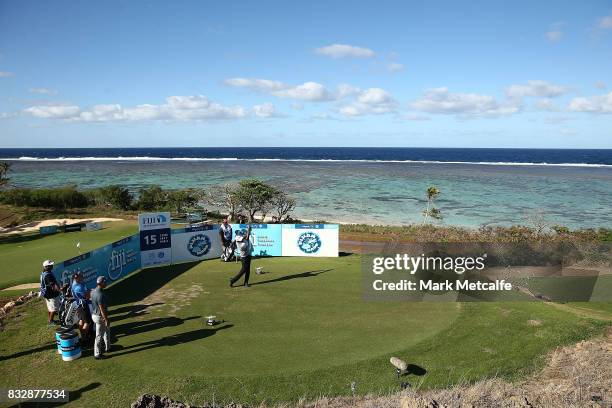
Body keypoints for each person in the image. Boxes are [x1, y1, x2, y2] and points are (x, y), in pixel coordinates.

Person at [90, 276, 111, 359]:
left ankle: (108, 347)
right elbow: (102, 309)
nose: (106, 283)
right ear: (101, 283)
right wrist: (106, 319)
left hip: (95, 315)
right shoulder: (100, 294)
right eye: (105, 282)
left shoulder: (94, 291)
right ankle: (97, 354)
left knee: (107, 330)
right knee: (99, 335)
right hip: (100, 317)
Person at [71, 272, 91, 341]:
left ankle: (82, 335)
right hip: (83, 306)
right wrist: (90, 293)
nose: (81, 277)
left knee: (81, 321)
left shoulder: (74, 284)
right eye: (80, 277)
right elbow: (87, 296)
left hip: (78, 305)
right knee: (87, 322)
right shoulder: (79, 287)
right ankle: (84, 338)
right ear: (76, 278)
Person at [39, 260, 61, 326]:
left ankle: (50, 319)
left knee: (50, 308)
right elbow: (53, 286)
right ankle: (51, 322)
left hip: (46, 294)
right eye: (50, 265)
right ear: (46, 267)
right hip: (51, 294)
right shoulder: (48, 275)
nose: (52, 266)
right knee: (54, 309)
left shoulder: (43, 273)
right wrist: (60, 290)